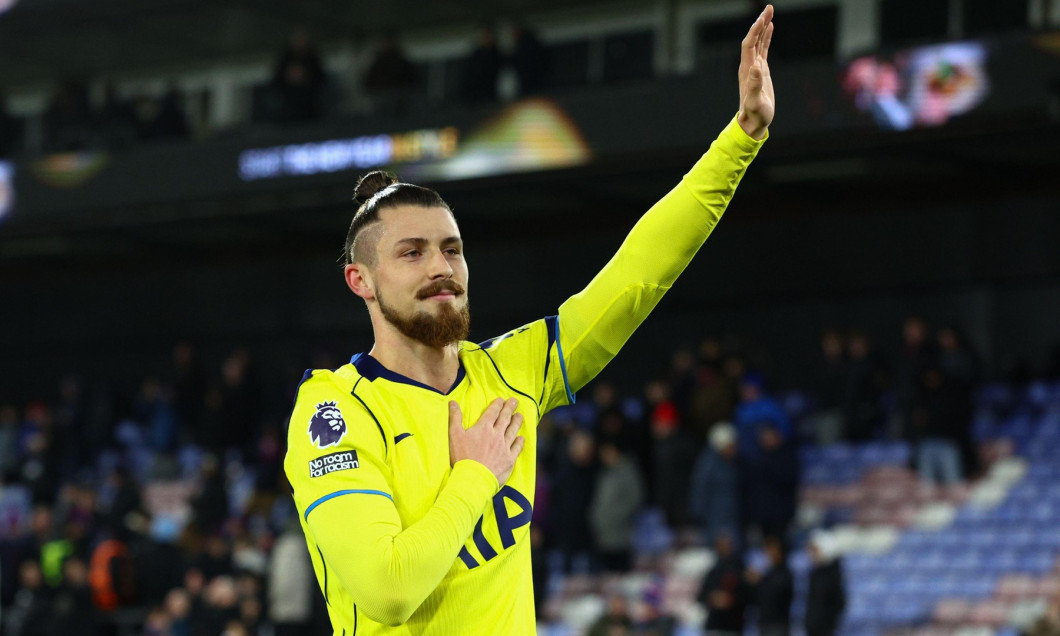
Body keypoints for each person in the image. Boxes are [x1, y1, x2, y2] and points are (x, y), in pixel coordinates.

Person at [282, 6, 774, 634]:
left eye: (452, 249)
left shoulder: (512, 373)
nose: (442, 267)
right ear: (362, 281)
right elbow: (388, 591)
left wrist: (742, 137)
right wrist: (476, 476)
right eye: (412, 252)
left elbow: (637, 277)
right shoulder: (334, 410)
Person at [747, 535, 793, 636]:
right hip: (764, 623)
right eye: (767, 550)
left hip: (778, 624)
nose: (769, 553)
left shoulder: (784, 573)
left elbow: (774, 594)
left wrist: (759, 580)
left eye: (772, 550)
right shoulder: (768, 573)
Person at [804, 533, 846, 636]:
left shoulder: (832, 575)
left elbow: (839, 602)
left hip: (825, 629)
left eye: (816, 550)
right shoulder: (815, 573)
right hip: (814, 627)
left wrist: (826, 621)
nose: (812, 554)